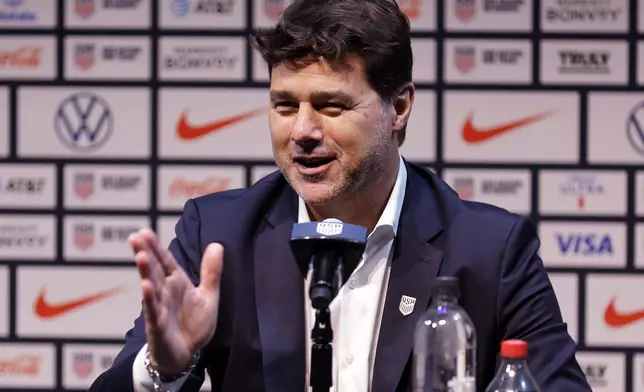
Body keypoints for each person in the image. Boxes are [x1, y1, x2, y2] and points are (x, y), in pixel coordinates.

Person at [89, 0, 592, 391]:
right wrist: (163, 367)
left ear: (399, 107)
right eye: (284, 106)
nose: (302, 131)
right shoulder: (219, 236)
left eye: (331, 105)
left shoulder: (490, 248)